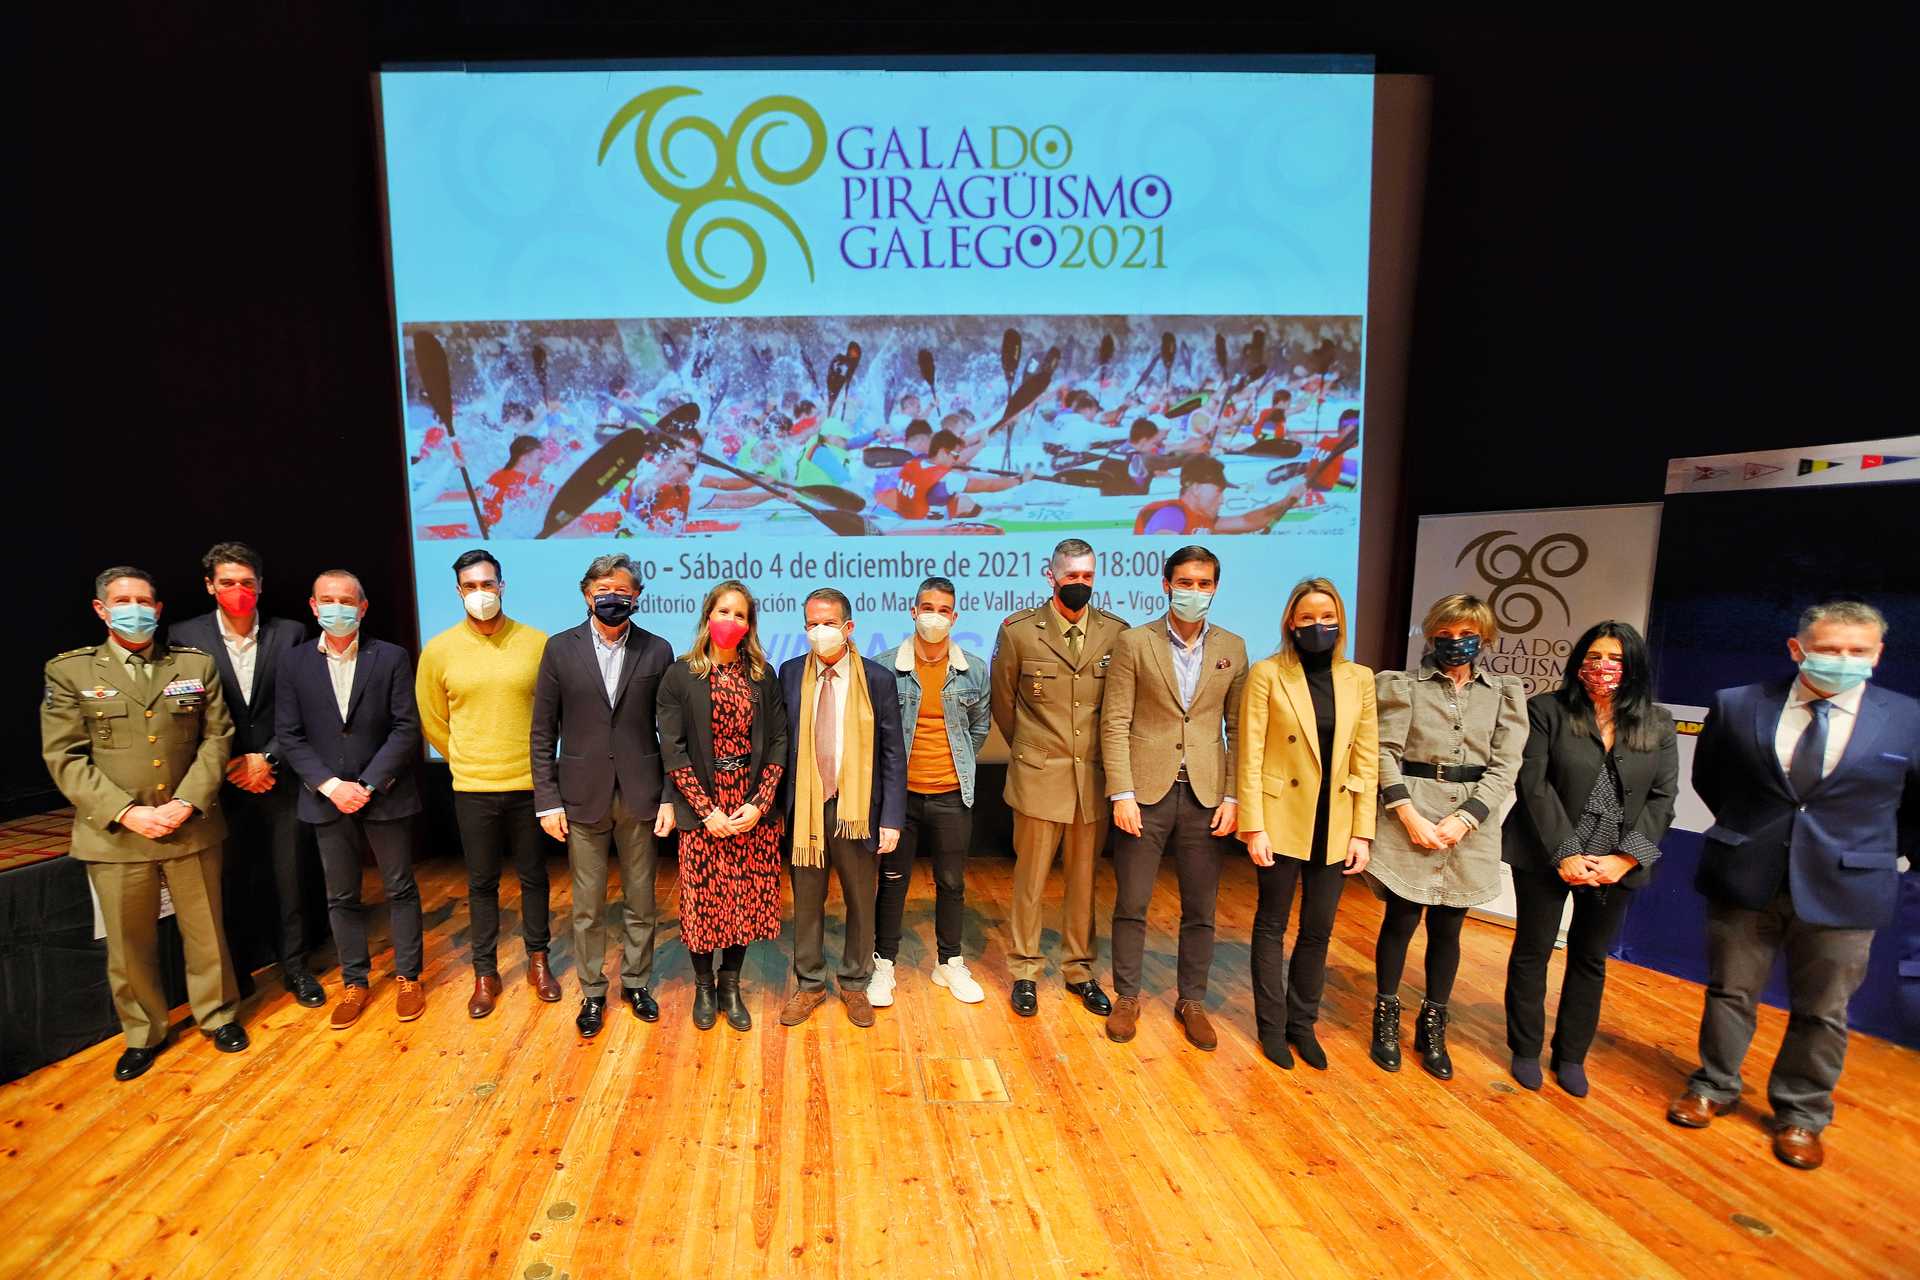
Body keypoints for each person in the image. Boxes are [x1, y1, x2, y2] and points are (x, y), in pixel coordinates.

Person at [1668, 600, 1918, 1171]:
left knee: (1824, 1010)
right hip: (1747, 874)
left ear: (1878, 654)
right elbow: (1712, 780)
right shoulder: (1737, 704)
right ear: (1797, 649)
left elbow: (1915, 809)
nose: (1843, 659)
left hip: (1846, 887)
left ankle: (1802, 1113)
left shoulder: (1909, 720)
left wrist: (1866, 852)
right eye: (1829, 649)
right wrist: (1758, 835)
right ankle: (1714, 1085)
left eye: (1857, 651)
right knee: (1729, 992)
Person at [41, 566, 248, 1080]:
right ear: (101, 610)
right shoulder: (71, 672)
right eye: (122, 601)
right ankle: (143, 1033)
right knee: (128, 944)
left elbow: (217, 739)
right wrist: (127, 811)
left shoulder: (193, 665)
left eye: (143, 601)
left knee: (206, 932)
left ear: (157, 609)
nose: (134, 609)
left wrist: (186, 802)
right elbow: (65, 756)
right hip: (116, 835)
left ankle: (218, 1015)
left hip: (189, 824)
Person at [1502, 621, 1677, 1096]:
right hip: (1545, 852)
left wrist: (1627, 859)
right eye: (1595, 656)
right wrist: (1565, 852)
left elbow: (1663, 798)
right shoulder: (1547, 710)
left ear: (1634, 666)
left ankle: (1572, 1055)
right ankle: (1524, 1048)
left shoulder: (1658, 723)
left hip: (1614, 862)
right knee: (1533, 950)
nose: (1603, 667)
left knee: (1589, 957)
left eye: (1616, 659)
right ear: (1579, 661)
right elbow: (1534, 785)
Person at [1367, 594, 1527, 1079]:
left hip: (1471, 821)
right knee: (1400, 919)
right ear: (1431, 635)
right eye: (1446, 634)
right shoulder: (1401, 686)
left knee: (1449, 927)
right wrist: (1408, 814)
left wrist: (1468, 818)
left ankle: (1433, 1023)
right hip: (1410, 811)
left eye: (1467, 635)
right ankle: (1386, 1017)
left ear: (1485, 638)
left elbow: (1506, 765)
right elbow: (1382, 752)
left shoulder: (1504, 693)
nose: (1456, 643)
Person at [1102, 545, 1249, 1049]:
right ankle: (1127, 996)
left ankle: (1192, 1000)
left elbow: (1238, 728)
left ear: (1215, 588)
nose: (1194, 592)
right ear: (1167, 585)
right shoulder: (1134, 642)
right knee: (1132, 901)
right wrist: (1122, 793)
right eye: (1185, 582)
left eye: (1204, 584)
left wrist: (1233, 796)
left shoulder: (1233, 647)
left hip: (1206, 794)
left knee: (1201, 907)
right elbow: (1115, 721)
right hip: (1144, 793)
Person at [170, 541, 322, 1007]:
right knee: (228, 881)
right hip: (219, 782)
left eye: (247, 583)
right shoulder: (183, 636)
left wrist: (267, 758)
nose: (238, 590)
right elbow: (182, 714)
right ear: (209, 586)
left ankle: (295, 967)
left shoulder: (291, 633)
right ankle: (237, 973)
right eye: (228, 582)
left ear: (260, 586)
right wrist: (231, 763)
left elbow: (303, 704)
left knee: (289, 879)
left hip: (280, 776)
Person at [531, 553, 676, 1036]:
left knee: (641, 900)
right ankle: (592, 991)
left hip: (641, 792)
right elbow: (542, 731)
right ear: (586, 594)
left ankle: (636, 982)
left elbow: (671, 733)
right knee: (588, 904)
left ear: (637, 597)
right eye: (603, 591)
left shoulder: (657, 650)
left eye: (622, 592)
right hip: (580, 794)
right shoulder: (559, 649)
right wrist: (547, 800)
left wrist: (670, 796)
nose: (613, 599)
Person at [1237, 577, 1378, 1069]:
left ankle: (1303, 1024)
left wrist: (1362, 831)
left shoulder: (1359, 678)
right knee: (1272, 925)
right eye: (1307, 618)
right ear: (1291, 624)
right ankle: (1271, 1026)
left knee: (1318, 930)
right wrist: (1253, 825)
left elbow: (1367, 758)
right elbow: (1250, 753)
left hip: (1335, 820)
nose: (1318, 626)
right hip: (1280, 817)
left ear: (1340, 621)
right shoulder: (1268, 674)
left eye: (1327, 617)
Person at [276, 571, 426, 1029]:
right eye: (327, 599)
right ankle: (355, 982)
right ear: (313, 605)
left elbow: (406, 726)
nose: (336, 607)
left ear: (362, 608)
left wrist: (369, 783)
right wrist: (331, 786)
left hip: (384, 793)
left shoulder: (391, 657)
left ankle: (408, 977)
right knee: (341, 895)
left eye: (346, 600)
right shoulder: (294, 662)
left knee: (400, 887)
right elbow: (289, 734)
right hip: (326, 798)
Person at [417, 549, 560, 1020]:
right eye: (471, 587)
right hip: (473, 786)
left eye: (487, 584)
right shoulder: (439, 650)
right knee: (481, 883)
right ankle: (486, 973)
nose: (480, 594)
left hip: (529, 784)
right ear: (458, 592)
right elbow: (432, 719)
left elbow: (552, 713)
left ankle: (538, 961)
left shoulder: (537, 643)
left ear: (502, 586)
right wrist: (465, 757)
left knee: (534, 877)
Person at [990, 538, 1127, 1018]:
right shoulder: (1019, 631)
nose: (1080, 584)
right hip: (1038, 775)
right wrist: (1032, 751)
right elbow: (1004, 702)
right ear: (1051, 576)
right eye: (1072, 577)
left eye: (1088, 576)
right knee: (1029, 882)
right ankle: (1025, 969)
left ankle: (1079, 969)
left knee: (1084, 881)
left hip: (1091, 779)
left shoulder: (1116, 633)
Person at [656, 581, 790, 1032]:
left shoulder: (762, 676)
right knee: (704, 903)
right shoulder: (680, 675)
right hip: (703, 807)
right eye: (723, 611)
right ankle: (704, 986)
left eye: (740, 615)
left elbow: (778, 741)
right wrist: (706, 811)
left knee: (744, 902)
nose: (731, 621)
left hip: (751, 807)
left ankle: (730, 985)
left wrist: (760, 803)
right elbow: (673, 750)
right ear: (708, 616)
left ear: (749, 625)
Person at [777, 589, 906, 1028]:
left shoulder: (877, 679)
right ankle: (810, 983)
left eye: (829, 623)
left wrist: (891, 818)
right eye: (812, 624)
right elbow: (781, 743)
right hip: (807, 810)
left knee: (860, 901)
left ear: (848, 627)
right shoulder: (790, 673)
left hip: (858, 810)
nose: (820, 631)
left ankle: (854, 983)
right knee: (807, 902)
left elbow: (893, 753)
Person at [873, 576, 992, 1007]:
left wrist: (954, 765)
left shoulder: (973, 669)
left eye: (943, 611)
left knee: (952, 882)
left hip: (951, 796)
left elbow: (979, 727)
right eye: (928, 609)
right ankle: (883, 963)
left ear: (954, 617)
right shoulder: (885, 666)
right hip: (899, 798)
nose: (934, 618)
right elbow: (877, 734)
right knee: (892, 881)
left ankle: (949, 962)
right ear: (913, 612)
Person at [875, 428, 1031, 521]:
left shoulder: (912, 463)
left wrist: (982, 440)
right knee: (966, 502)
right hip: (930, 534)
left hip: (905, 521)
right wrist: (1019, 480)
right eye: (955, 456)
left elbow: (962, 447)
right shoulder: (947, 479)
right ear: (943, 452)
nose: (957, 460)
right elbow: (988, 485)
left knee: (962, 501)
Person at [1134, 457, 1304, 535]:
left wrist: (1285, 502)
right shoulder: (1172, 515)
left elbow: (1247, 521)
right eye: (1218, 491)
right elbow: (1164, 549)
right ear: (1196, 488)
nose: (1222, 500)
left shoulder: (1204, 520)